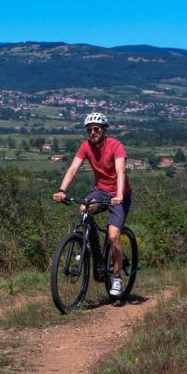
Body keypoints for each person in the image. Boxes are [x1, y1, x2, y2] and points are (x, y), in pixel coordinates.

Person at [53, 112, 132, 296]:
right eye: (89, 130)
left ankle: (117, 278)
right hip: (100, 191)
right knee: (83, 210)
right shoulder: (86, 146)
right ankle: (93, 253)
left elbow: (120, 172)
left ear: (104, 129)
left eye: (96, 129)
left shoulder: (116, 146)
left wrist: (119, 194)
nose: (93, 132)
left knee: (113, 236)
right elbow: (73, 168)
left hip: (119, 194)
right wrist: (62, 190)